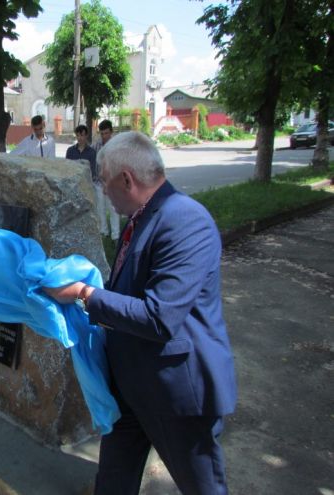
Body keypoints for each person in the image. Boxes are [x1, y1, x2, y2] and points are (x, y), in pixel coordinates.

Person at [44, 131, 237, 495]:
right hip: (131, 386)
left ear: (126, 179)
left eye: (103, 182)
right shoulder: (141, 217)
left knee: (203, 488)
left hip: (176, 393)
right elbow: (130, 291)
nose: (103, 191)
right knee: (114, 482)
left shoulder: (185, 220)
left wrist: (86, 293)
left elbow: (159, 317)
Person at [93, 120, 120, 240]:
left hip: (113, 184)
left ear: (111, 132)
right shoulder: (96, 146)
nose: (104, 136)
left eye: (106, 133)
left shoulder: (117, 146)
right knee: (101, 209)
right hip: (99, 183)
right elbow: (94, 164)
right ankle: (104, 232)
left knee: (114, 210)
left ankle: (116, 235)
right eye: (102, 133)